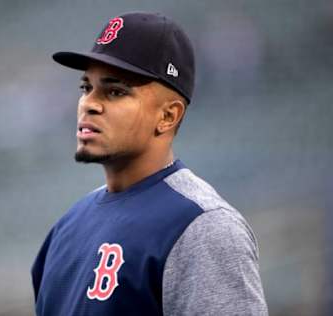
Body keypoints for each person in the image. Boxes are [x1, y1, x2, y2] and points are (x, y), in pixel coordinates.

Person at [31, 11, 268, 316]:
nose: (90, 103)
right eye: (86, 87)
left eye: (115, 91)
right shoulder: (66, 227)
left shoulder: (202, 225)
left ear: (167, 116)